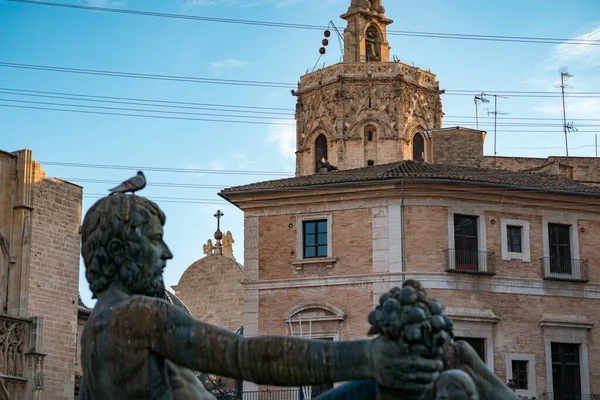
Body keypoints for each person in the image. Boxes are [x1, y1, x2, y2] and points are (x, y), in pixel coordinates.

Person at [79, 193, 442, 399]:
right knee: (425, 379)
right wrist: (369, 355)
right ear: (118, 249)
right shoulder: (136, 315)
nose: (167, 253)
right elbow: (246, 356)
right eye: (155, 241)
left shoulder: (99, 324)